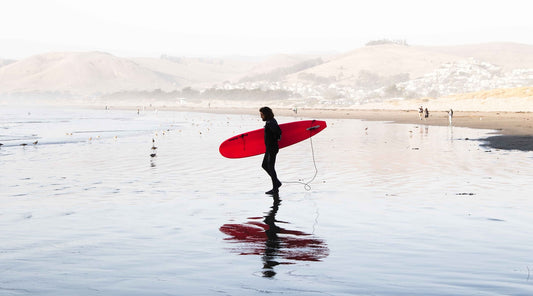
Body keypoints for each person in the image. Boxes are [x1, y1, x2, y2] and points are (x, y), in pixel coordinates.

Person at [260, 107, 282, 195]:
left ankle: (275, 189)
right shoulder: (271, 121)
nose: (261, 116)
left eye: (262, 114)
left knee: (271, 167)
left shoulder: (271, 122)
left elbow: (278, 132)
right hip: (269, 148)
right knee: (264, 165)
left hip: (272, 149)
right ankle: (277, 183)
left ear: (266, 114)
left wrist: (276, 139)